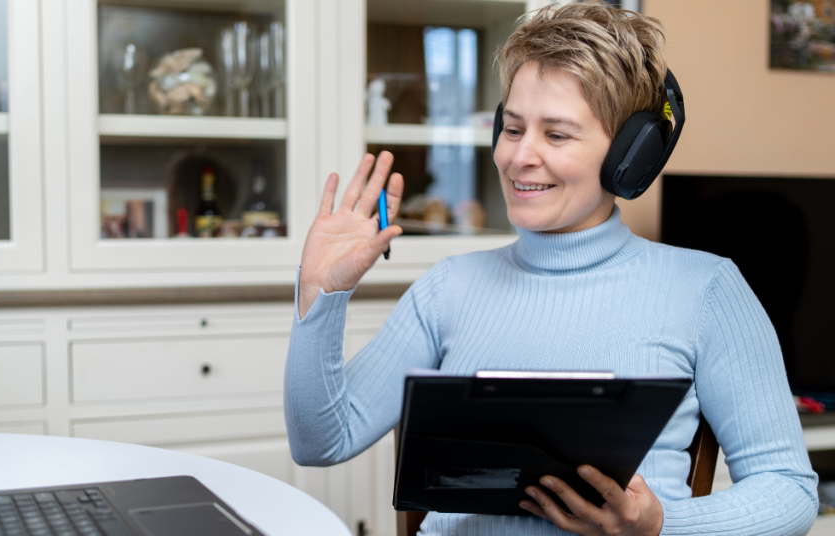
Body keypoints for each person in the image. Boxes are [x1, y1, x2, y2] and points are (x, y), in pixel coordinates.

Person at [284, 1, 819, 535]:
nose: (519, 157)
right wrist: (319, 294)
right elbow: (321, 441)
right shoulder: (447, 288)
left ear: (630, 157)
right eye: (513, 129)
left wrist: (660, 524)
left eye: (557, 135)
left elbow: (790, 493)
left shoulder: (705, 290)